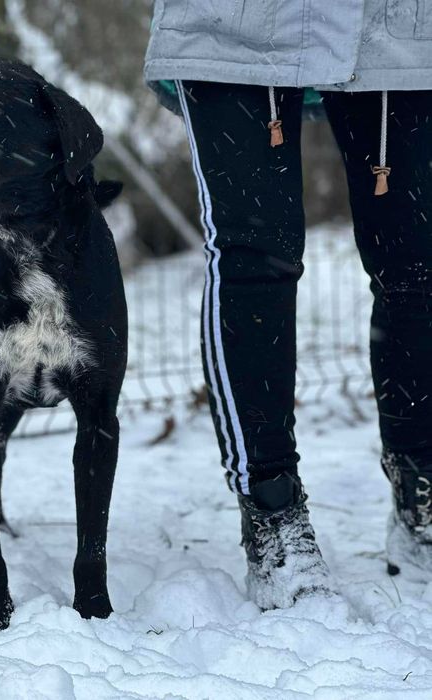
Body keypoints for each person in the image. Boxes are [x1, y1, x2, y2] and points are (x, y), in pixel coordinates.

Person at [144, 1, 432, 608]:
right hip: (237, 26)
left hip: (403, 29)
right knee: (255, 262)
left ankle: (421, 496)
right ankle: (273, 513)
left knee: (419, 268)